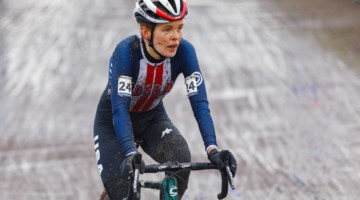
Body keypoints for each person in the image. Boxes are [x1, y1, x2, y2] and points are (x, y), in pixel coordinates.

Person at [93, 0, 237, 199]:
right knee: (126, 195)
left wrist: (212, 148)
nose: (176, 37)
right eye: (167, 29)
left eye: (179, 28)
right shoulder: (126, 52)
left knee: (180, 158)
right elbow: (120, 109)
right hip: (113, 123)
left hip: (152, 119)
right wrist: (129, 152)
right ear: (146, 32)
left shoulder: (185, 52)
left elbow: (200, 104)